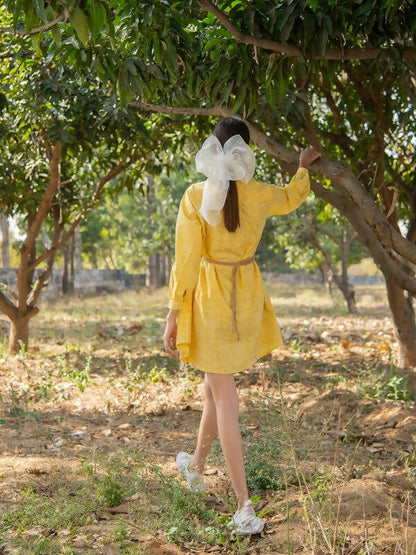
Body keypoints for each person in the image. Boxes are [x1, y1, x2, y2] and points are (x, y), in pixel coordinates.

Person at [163, 117, 321, 536]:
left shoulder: (196, 196)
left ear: (212, 149)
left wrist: (174, 312)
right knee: (214, 388)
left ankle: (243, 507)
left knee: (225, 397)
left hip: (212, 301)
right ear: (245, 152)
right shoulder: (258, 194)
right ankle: (196, 468)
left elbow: (186, 260)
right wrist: (303, 165)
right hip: (245, 297)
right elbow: (291, 198)